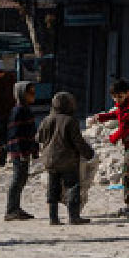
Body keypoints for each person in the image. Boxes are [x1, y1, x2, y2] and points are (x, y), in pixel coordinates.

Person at [36, 91, 94, 225]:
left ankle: (53, 217)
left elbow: (38, 138)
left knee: (53, 188)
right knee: (72, 186)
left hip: (50, 160)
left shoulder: (47, 119)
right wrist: (89, 154)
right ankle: (74, 216)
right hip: (67, 161)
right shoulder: (70, 121)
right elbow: (78, 142)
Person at [92, 79, 129, 218]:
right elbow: (116, 114)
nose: (117, 100)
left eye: (120, 97)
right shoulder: (124, 105)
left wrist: (112, 137)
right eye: (115, 97)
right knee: (126, 175)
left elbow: (126, 128)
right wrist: (101, 117)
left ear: (128, 93)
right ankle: (128, 205)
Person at [4, 82, 39, 221]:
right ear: (21, 94)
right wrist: (21, 153)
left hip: (25, 151)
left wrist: (34, 150)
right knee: (18, 178)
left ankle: (16, 208)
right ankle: (11, 210)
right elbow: (15, 135)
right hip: (20, 152)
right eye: (30, 92)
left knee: (22, 178)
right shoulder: (18, 111)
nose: (33, 95)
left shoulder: (26, 110)